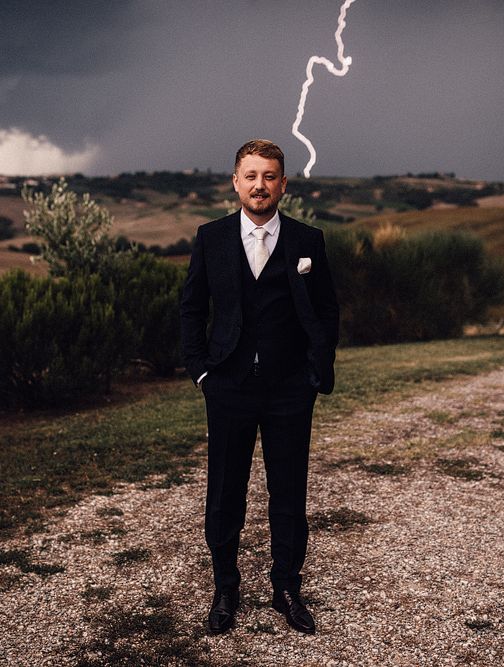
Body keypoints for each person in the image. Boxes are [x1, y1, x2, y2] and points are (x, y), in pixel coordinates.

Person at [180, 139, 339, 635]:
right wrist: (201, 370)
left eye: (269, 176)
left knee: (288, 492)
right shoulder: (212, 238)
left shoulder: (307, 240)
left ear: (283, 185)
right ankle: (226, 586)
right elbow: (191, 308)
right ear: (235, 181)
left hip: (290, 388)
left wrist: (315, 372)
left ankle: (286, 587)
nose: (259, 185)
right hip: (227, 385)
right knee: (225, 491)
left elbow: (328, 309)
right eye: (250, 175)